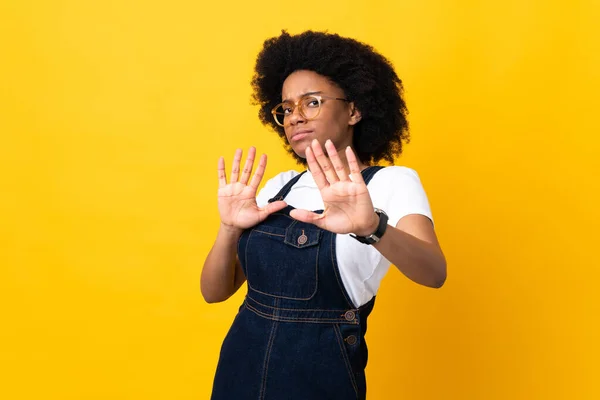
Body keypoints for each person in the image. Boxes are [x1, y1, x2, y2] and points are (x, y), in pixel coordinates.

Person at [201, 30, 447, 400]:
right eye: (286, 108)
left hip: (320, 381)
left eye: (311, 102)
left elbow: (434, 272)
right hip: (239, 373)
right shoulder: (278, 186)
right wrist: (228, 229)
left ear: (354, 109)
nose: (295, 117)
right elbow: (214, 292)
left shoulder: (391, 183)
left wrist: (372, 227)